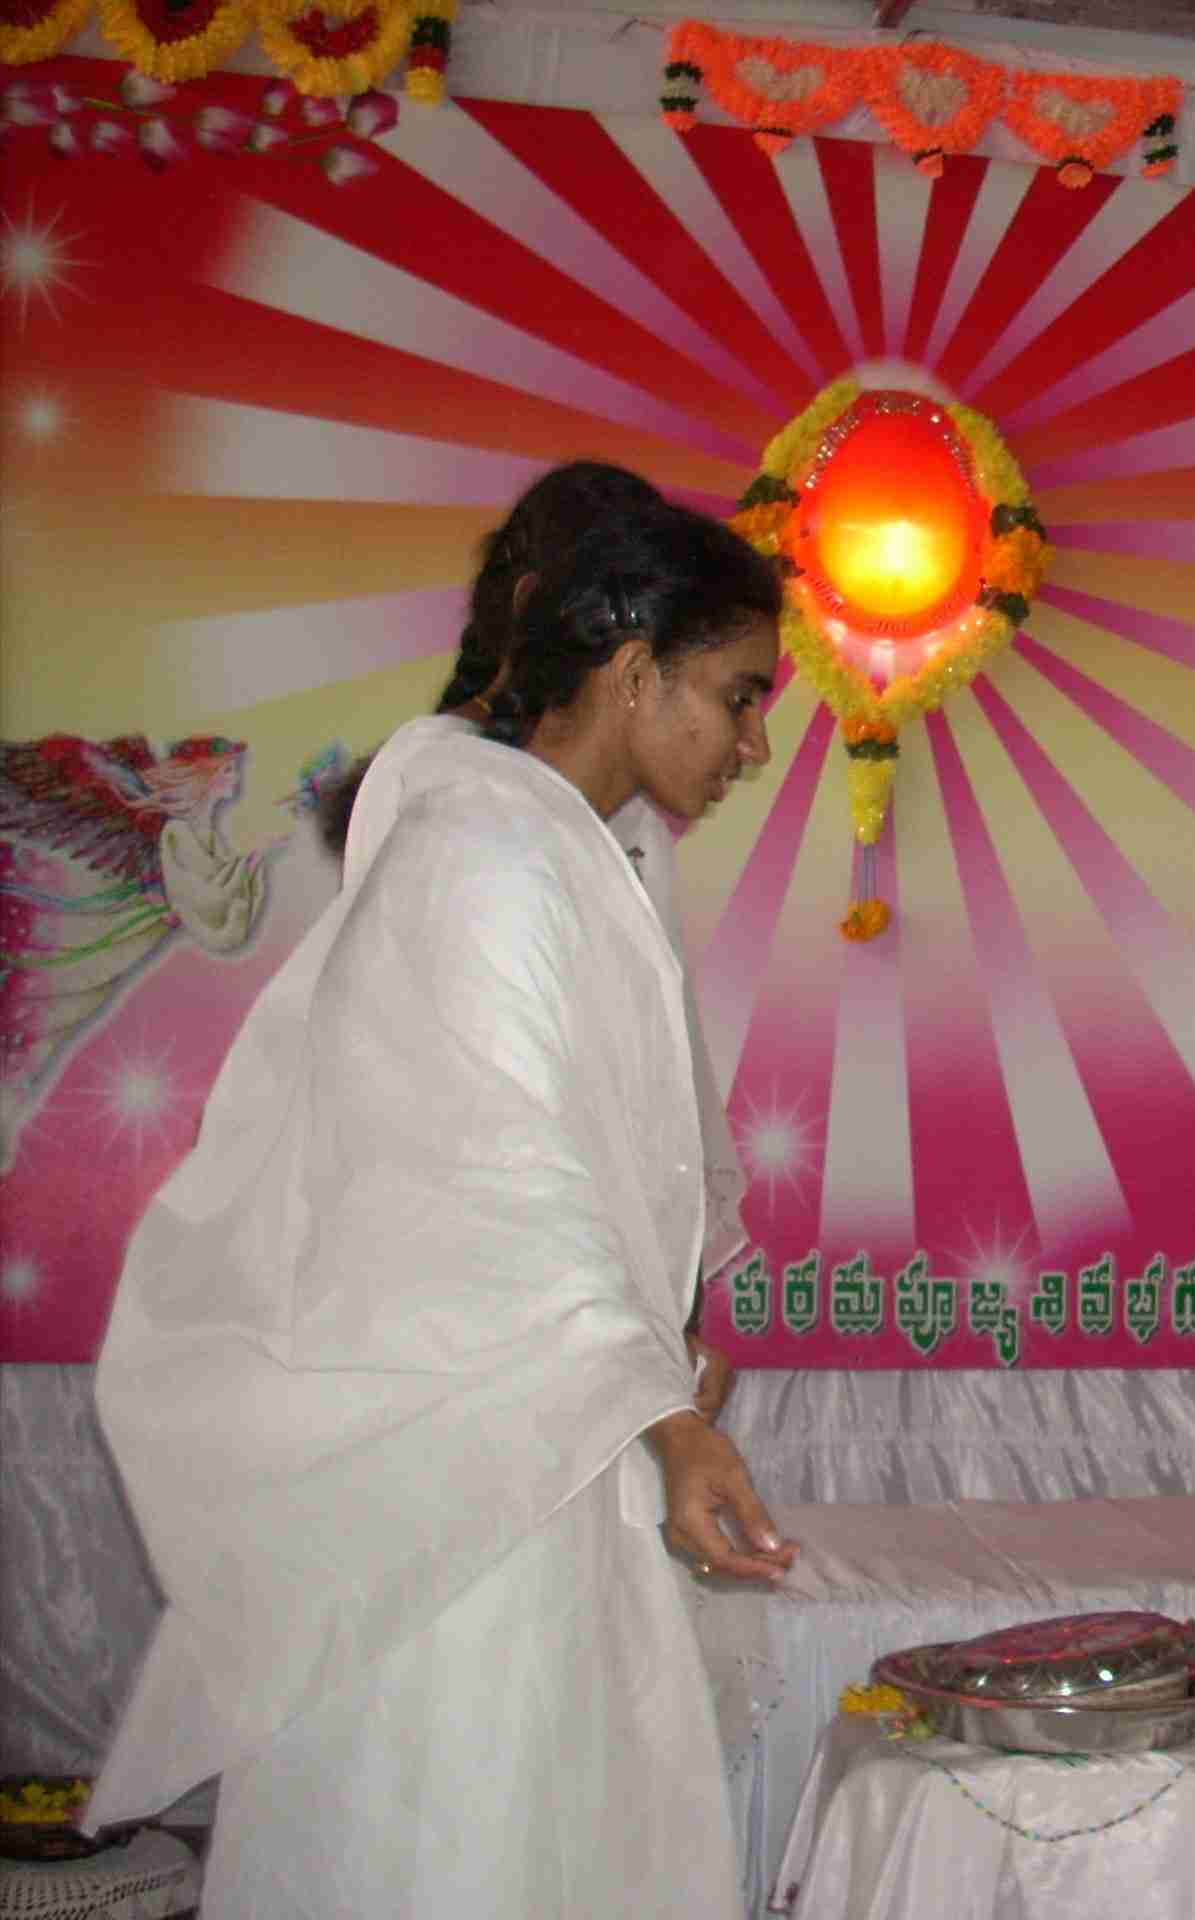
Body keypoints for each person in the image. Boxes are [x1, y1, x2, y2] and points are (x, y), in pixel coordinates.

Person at [86, 503, 799, 1917]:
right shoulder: (484, 856)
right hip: (461, 1498)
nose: (754, 743)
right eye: (738, 696)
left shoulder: (566, 851)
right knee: (460, 1844)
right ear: (635, 671)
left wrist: (659, 1356)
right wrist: (661, 1413)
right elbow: (497, 1182)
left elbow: (594, 1164)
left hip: (540, 1449)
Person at [326, 462, 748, 1421]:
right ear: (542, 609)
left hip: (577, 1328)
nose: (747, 741)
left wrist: (662, 1331)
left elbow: (648, 1100)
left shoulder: (617, 818)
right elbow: (491, 1136)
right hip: (467, 1336)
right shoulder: (456, 803)